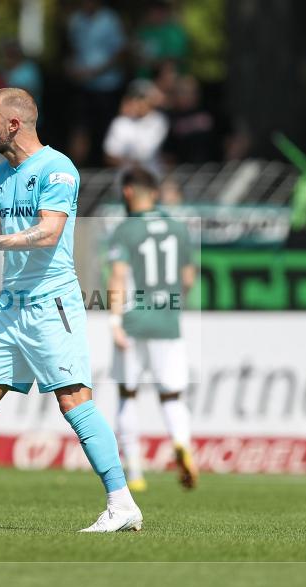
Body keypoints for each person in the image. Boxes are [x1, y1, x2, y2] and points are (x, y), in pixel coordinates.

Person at [0, 87, 143, 532]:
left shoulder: (58, 168)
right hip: (11, 306)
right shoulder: (0, 176)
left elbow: (48, 233)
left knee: (74, 400)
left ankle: (122, 505)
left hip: (51, 303)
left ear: (14, 124)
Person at [106, 166, 197, 492]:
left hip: (133, 321)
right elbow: (188, 278)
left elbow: (117, 277)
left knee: (127, 394)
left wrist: (114, 321)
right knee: (172, 395)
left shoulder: (126, 230)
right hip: (167, 322)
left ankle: (134, 473)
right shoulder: (180, 229)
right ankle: (182, 443)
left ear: (128, 192)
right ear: (155, 193)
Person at [66, 0, 127, 166]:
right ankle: (76, 176)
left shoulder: (110, 20)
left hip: (108, 86)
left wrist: (96, 72)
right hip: (82, 87)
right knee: (80, 129)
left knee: (107, 133)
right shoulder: (75, 20)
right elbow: (73, 49)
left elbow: (120, 53)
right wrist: (73, 68)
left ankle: (106, 176)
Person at [103, 79, 168, 170]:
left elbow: (145, 154)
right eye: (133, 97)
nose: (136, 101)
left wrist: (127, 160)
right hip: (126, 178)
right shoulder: (119, 122)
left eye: (141, 97)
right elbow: (110, 156)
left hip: (152, 176)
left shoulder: (159, 120)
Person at [161, 75, 216, 165]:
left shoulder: (210, 111)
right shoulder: (169, 117)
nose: (189, 96)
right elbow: (167, 152)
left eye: (193, 92)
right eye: (184, 92)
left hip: (214, 169)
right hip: (183, 171)